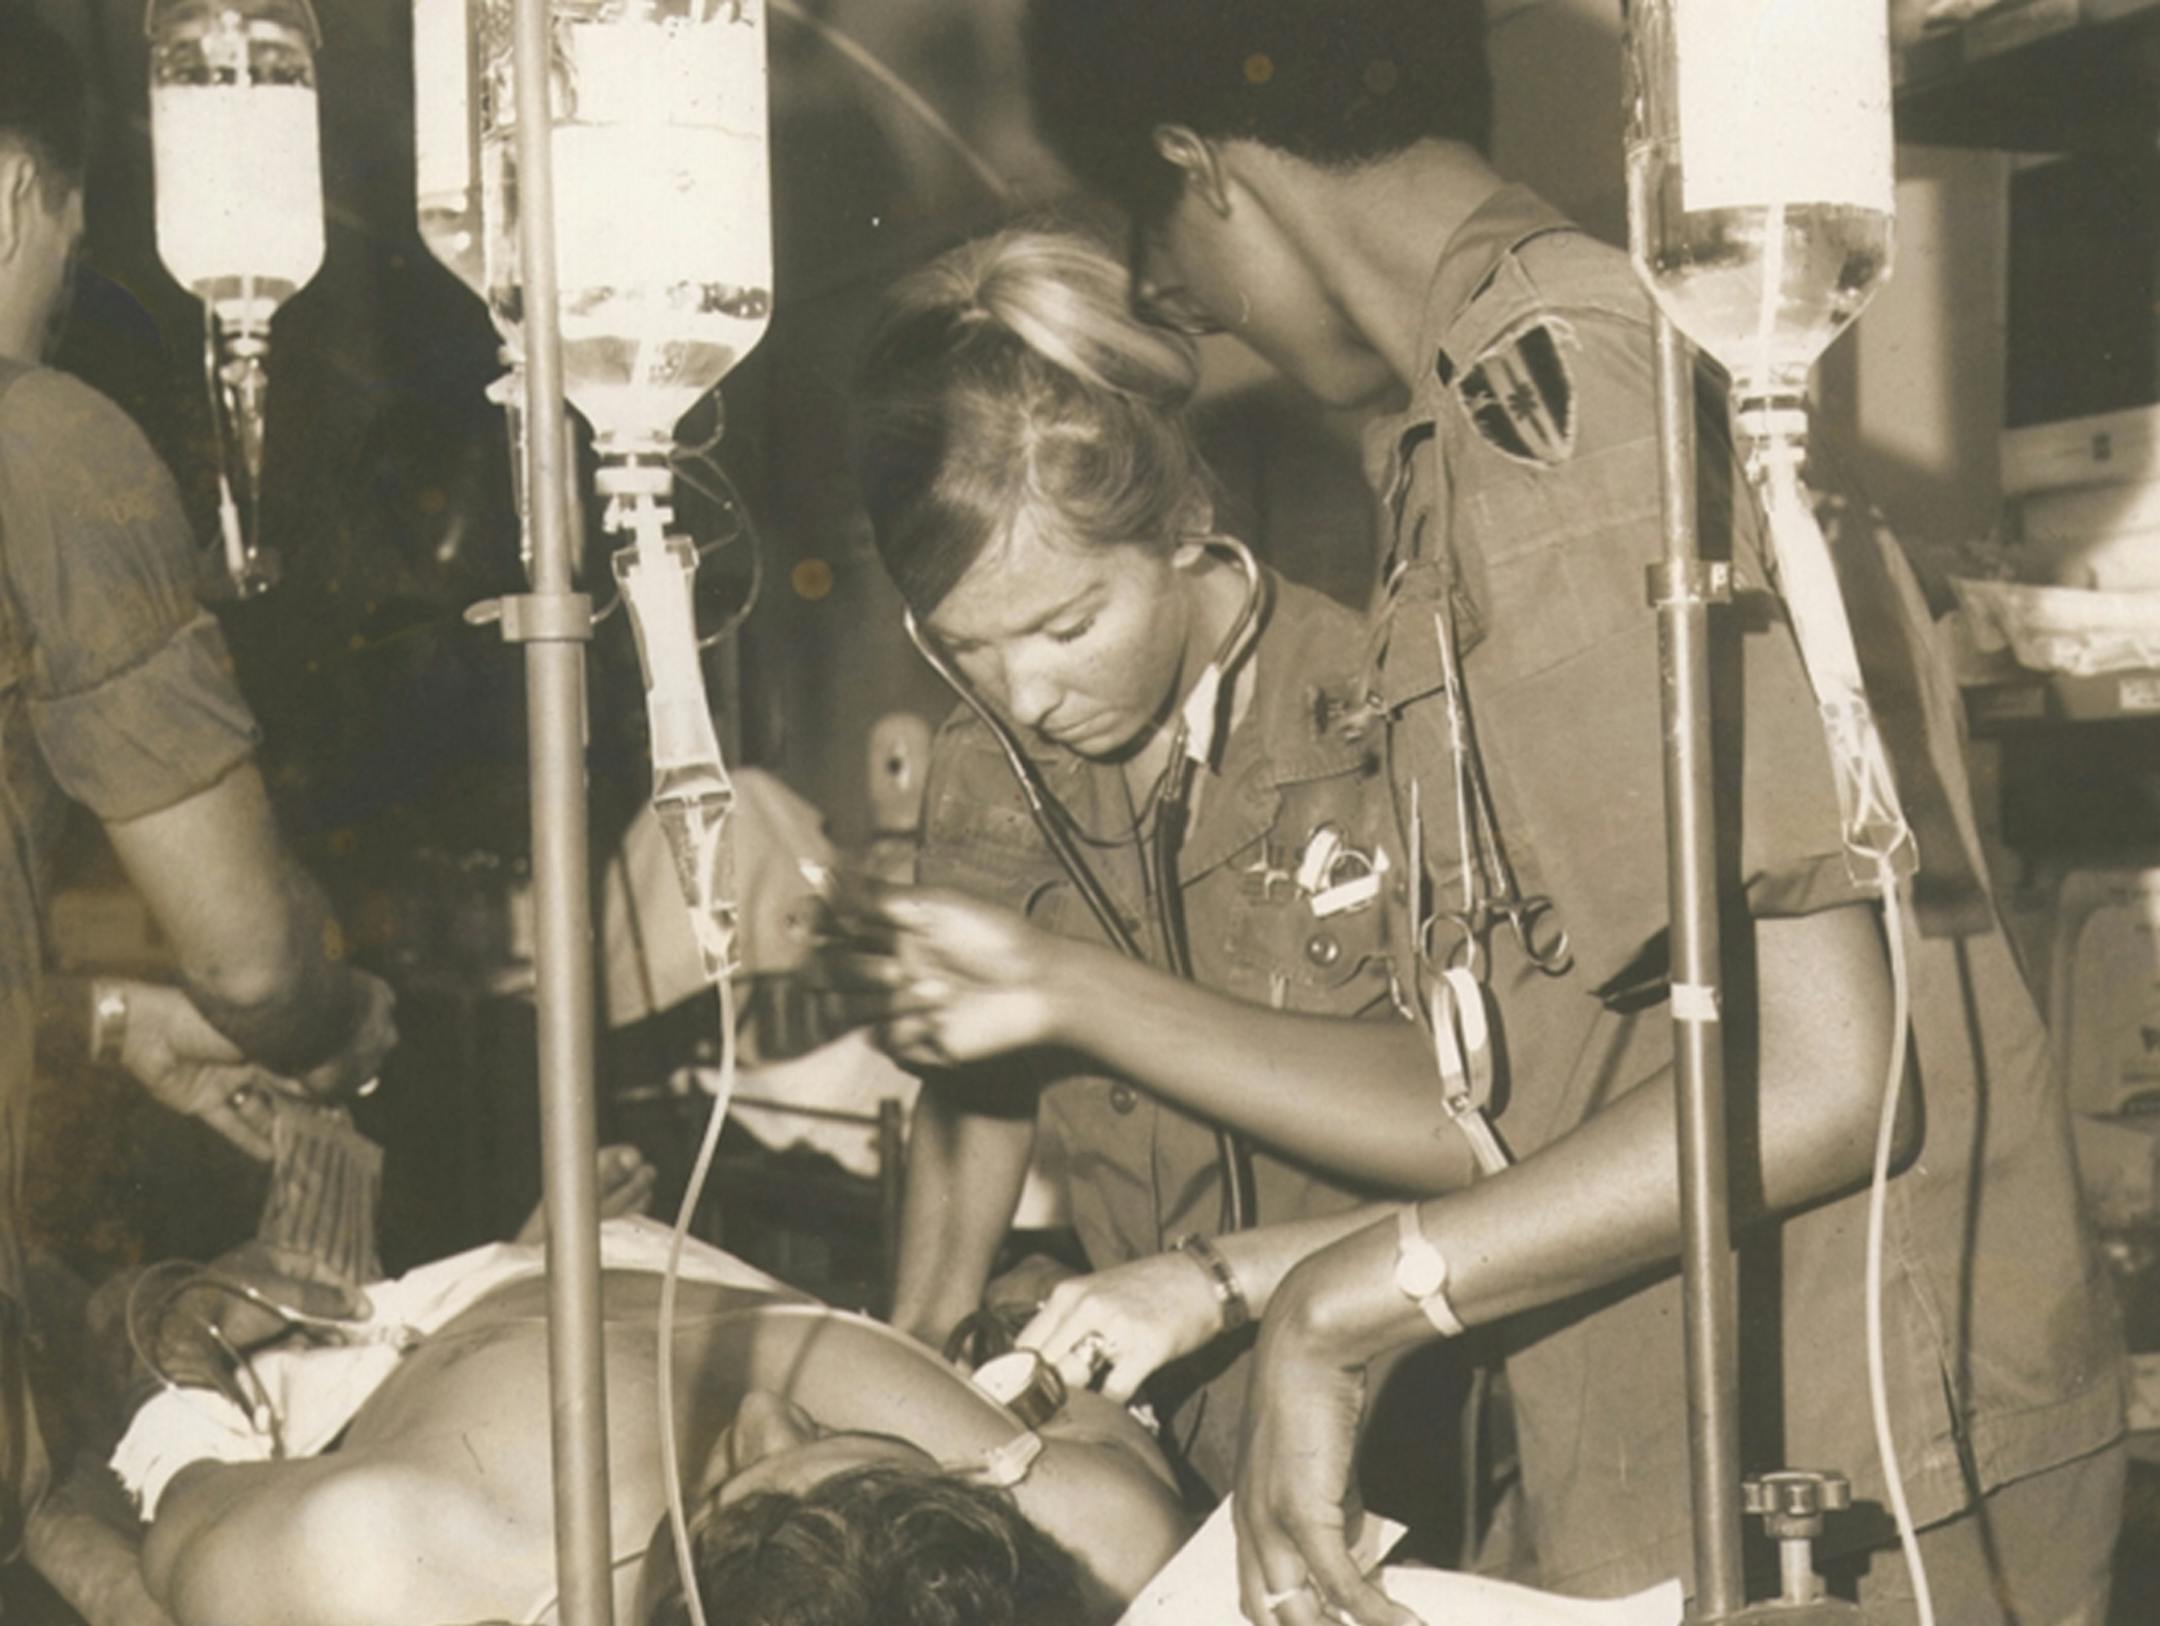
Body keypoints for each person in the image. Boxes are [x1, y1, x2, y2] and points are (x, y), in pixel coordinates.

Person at [852, 4, 2128, 1623]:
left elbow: (1816, 1077)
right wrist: (1233, 1277)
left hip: (1849, 1446)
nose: (1190, 308)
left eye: (1167, 251)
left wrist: (1337, 1311)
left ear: (1206, 170)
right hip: (1708, 1430)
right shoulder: (1502, 405)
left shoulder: (1561, 398)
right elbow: (1557, 1083)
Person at [846, 225, 1480, 1495]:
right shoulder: (987, 770)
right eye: (964, 648)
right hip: (1141, 1411)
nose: (1023, 694)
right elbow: (976, 1099)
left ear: (1185, 523)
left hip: (1407, 1410)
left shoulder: (1387, 720)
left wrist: (1074, 992)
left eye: (1069, 625)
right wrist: (909, 1368)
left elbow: (1483, 1134)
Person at [1, 3, 397, 1557]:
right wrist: (325, 1018)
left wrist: (104, 1021)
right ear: (15, 198)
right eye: (77, 231)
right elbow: (245, 952)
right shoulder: (41, 442)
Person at [130, 1222, 1189, 1626]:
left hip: (597, 1313)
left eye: (760, 1463)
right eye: (833, 1440)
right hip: (508, 1307)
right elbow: (177, 1471)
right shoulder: (1099, 1533)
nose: (764, 1410)